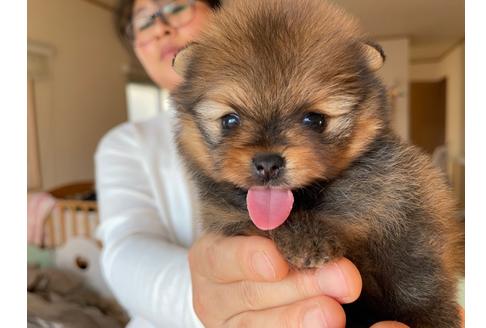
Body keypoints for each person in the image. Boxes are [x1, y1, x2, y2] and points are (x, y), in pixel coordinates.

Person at [96, 1, 455, 327]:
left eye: (313, 120)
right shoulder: (122, 145)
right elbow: (124, 251)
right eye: (230, 122)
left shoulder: (387, 169)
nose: (162, 26)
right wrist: (208, 298)